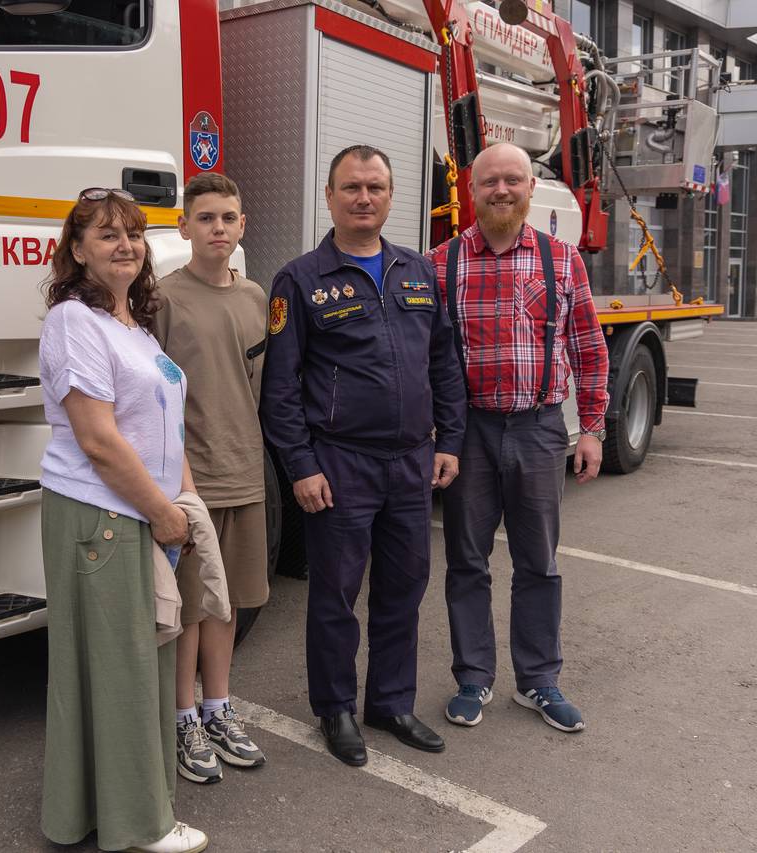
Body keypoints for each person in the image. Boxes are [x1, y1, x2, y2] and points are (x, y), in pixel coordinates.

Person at [260, 145, 468, 767]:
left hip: (410, 462)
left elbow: (444, 365)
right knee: (335, 595)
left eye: (375, 187)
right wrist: (301, 465)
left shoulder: (417, 273)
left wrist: (450, 441)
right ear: (330, 196)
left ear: (390, 195)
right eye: (351, 187)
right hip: (340, 464)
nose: (364, 198)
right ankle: (336, 710)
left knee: (405, 588)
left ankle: (391, 702)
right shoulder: (300, 280)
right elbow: (280, 390)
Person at [38, 188, 208, 853]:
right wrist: (165, 513)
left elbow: (161, 429)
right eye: (106, 234)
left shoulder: (130, 326)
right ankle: (142, 824)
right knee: (124, 670)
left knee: (120, 667)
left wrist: (183, 506)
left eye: (133, 233)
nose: (125, 245)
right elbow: (99, 440)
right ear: (76, 251)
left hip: (137, 511)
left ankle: (90, 810)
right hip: (102, 513)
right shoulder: (74, 322)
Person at [430, 142, 609, 734]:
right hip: (470, 431)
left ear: (531, 189)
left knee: (539, 562)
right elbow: (425, 357)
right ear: (469, 191)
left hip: (537, 429)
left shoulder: (563, 260)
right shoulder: (441, 263)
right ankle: (473, 678)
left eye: (513, 180)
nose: (501, 191)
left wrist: (590, 429)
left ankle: (538, 681)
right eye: (489, 183)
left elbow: (588, 348)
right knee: (467, 562)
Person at [155, 173, 269, 785]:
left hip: (245, 472)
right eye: (206, 218)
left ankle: (218, 706)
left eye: (228, 218)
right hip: (191, 482)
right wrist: (181, 480)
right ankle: (181, 718)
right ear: (184, 226)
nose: (217, 229)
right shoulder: (164, 299)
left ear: (242, 226)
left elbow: (253, 387)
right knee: (190, 610)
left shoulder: (254, 297)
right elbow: (154, 400)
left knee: (227, 606)